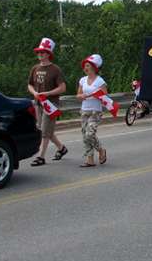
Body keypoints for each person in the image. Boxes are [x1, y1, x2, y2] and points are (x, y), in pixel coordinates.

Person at [28, 38, 68, 167]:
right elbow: (30, 85)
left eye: (43, 52)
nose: (40, 54)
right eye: (39, 52)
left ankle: (41, 157)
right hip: (38, 104)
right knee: (45, 130)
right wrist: (34, 93)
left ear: (48, 54)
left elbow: (62, 87)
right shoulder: (35, 68)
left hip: (51, 104)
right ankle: (61, 148)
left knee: (45, 130)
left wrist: (48, 93)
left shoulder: (55, 69)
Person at [76, 54, 108, 168]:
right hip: (84, 110)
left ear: (94, 67)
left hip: (95, 111)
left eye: (88, 65)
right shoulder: (82, 80)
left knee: (90, 134)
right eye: (85, 66)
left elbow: (105, 96)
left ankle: (101, 150)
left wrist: (98, 95)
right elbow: (78, 95)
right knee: (85, 135)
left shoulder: (100, 81)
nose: (85, 68)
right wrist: (82, 96)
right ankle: (90, 159)